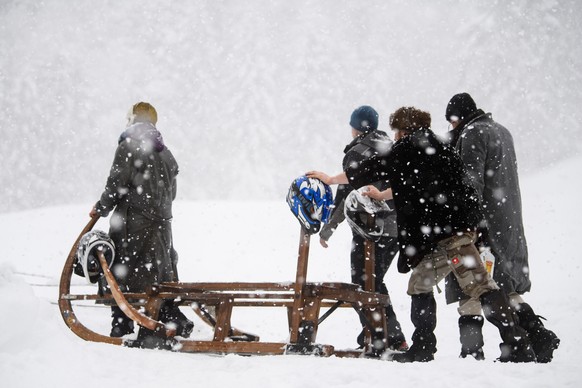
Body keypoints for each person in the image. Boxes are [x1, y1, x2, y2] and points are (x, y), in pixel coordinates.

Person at [315, 106, 536, 363]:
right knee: (420, 284)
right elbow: (418, 184)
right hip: (451, 232)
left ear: (403, 130)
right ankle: (423, 348)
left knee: (480, 285)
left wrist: (331, 179)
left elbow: (369, 170)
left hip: (452, 234)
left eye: (397, 130)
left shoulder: (408, 149)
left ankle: (517, 343)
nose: (395, 136)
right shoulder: (439, 147)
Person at [444, 92, 560, 362]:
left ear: (457, 116)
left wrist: (465, 222)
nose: (450, 127)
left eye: (450, 121)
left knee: (471, 286)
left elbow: (471, 183)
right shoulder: (501, 130)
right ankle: (538, 335)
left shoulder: (473, 133)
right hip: (507, 221)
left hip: (484, 225)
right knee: (506, 288)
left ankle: (472, 351)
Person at [90, 102, 193, 339]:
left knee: (121, 271)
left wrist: (101, 207)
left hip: (131, 223)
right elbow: (172, 194)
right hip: (161, 225)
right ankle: (168, 314)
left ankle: (122, 324)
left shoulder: (129, 146)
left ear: (133, 121)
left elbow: (116, 184)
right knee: (159, 273)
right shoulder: (166, 153)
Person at [312, 106, 407, 353]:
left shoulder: (357, 152)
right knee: (374, 281)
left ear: (355, 127)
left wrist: (327, 229)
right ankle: (379, 331)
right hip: (397, 229)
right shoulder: (392, 146)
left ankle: (386, 336)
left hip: (370, 230)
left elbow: (346, 194)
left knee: (363, 285)